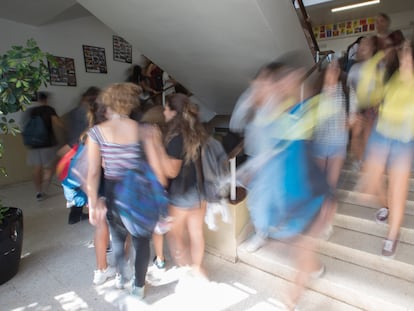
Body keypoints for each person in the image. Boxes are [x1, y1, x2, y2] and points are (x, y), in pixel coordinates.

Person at [231, 55, 333, 310]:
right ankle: (314, 269)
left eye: (280, 82)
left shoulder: (302, 111)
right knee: (302, 247)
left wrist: (328, 88)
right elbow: (243, 125)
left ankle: (292, 300)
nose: (275, 87)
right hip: (289, 197)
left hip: (311, 193)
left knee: (303, 247)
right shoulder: (271, 117)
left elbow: (323, 111)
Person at [86, 82, 166, 299]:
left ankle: (122, 276)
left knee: (118, 238)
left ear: (108, 105)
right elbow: (158, 170)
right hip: (141, 193)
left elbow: (93, 171)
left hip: (113, 193)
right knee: (141, 241)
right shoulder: (145, 130)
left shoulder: (96, 133)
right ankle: (139, 287)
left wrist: (93, 202)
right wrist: (161, 199)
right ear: (131, 104)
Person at [357, 40, 414, 257]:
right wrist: (380, 56)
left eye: (408, 53)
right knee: (371, 180)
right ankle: (387, 206)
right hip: (381, 134)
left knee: (397, 189)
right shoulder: (393, 77)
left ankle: (393, 233)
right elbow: (366, 91)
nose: (404, 56)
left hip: (403, 140)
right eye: (403, 52)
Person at [151, 93, 209, 277]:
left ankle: (186, 270)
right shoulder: (195, 131)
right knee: (196, 233)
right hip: (199, 191)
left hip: (180, 194)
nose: (164, 112)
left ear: (173, 112)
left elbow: (172, 171)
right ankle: (197, 269)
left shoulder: (176, 137)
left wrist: (157, 146)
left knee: (174, 236)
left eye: (166, 108)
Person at [24, 91, 64, 201]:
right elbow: (57, 123)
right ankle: (44, 189)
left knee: (37, 168)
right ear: (46, 99)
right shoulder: (49, 110)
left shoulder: (32, 111)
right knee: (49, 167)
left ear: (38, 100)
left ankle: (38, 191)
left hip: (34, 144)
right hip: (47, 143)